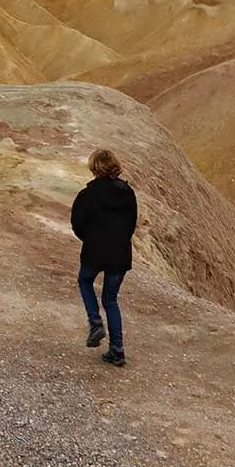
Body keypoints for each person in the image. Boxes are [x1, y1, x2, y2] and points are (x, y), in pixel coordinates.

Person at [70, 149, 137, 367]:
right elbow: (131, 225)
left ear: (94, 168)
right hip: (119, 253)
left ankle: (95, 321)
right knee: (111, 299)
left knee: (85, 280)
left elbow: (77, 224)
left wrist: (90, 239)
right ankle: (117, 351)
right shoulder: (127, 193)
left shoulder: (87, 195)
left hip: (94, 251)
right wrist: (118, 241)